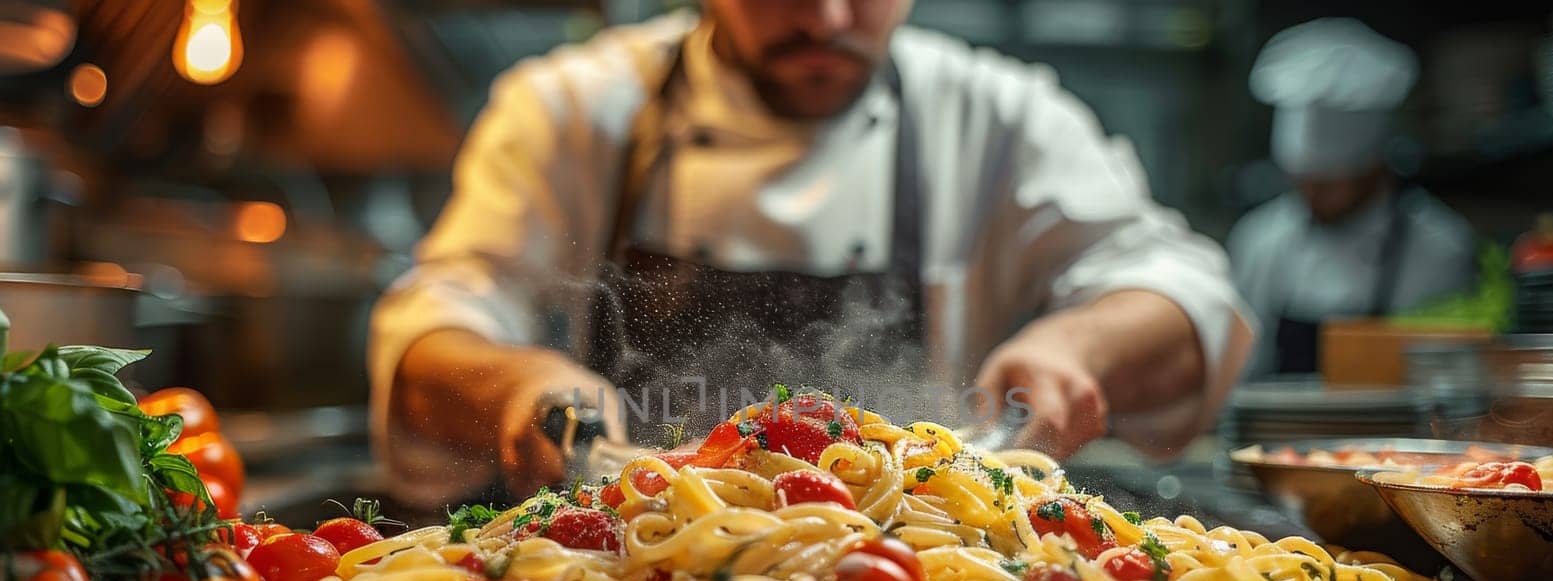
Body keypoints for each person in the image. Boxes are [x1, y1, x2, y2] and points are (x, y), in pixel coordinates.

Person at [370, 1, 1255, 505]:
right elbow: (436, 320)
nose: (826, 17)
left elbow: (1182, 286)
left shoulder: (991, 114)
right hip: (619, 578)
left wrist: (1077, 349)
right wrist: (519, 388)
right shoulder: (570, 110)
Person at [1228, 18, 1478, 377]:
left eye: (1329, 183)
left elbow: (1442, 379)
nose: (1311, 196)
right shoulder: (1259, 241)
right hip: (1277, 432)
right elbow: (1239, 373)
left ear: (1374, 167)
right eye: (1302, 182)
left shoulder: (1439, 248)